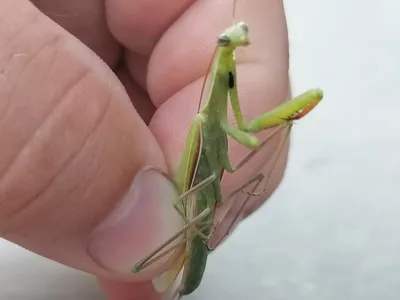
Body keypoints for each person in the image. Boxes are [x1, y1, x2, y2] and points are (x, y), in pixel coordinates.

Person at [0, 0, 290, 299]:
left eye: (240, 33)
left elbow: (245, 132)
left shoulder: (214, 103)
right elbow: (246, 134)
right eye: (232, 38)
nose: (242, 39)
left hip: (201, 209)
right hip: (193, 209)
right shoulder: (203, 118)